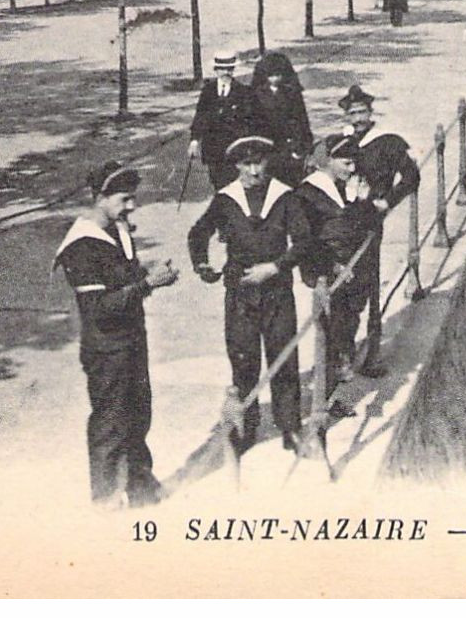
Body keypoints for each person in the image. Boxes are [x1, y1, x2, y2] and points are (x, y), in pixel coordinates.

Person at [54, 161, 178, 508]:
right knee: (110, 422)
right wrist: (147, 284)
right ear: (101, 198)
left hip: (131, 341)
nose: (131, 206)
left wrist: (148, 274)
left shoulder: (118, 230)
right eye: (125, 199)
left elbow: (126, 278)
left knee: (139, 415)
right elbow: (99, 307)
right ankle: (106, 496)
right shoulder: (82, 246)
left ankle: (140, 485)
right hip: (106, 348)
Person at [187, 136, 314, 454]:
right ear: (237, 166)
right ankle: (247, 426)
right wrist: (202, 263)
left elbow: (303, 240)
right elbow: (198, 232)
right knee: (243, 360)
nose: (254, 171)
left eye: (259, 163)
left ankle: (290, 427)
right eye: (247, 164)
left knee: (283, 357)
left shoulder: (285, 197)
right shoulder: (225, 199)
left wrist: (276, 266)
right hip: (240, 293)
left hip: (276, 292)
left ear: (267, 163)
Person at [338, 85, 420, 378]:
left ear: (371, 113)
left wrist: (389, 201)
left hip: (370, 222)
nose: (358, 118)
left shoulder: (387, 142)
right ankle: (343, 351)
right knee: (342, 287)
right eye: (352, 113)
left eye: (362, 112)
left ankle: (371, 353)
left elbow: (411, 176)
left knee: (368, 285)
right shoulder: (340, 144)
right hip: (341, 222)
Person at [294, 134, 375, 414]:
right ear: (328, 161)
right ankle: (323, 403)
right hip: (328, 276)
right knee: (330, 336)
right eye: (346, 163)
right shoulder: (307, 194)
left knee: (345, 329)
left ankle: (330, 396)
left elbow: (363, 227)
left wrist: (362, 203)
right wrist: (332, 267)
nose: (351, 169)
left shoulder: (345, 188)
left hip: (352, 274)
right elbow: (306, 242)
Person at [189, 50, 262, 190]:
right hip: (213, 149)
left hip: (234, 149)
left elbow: (250, 121)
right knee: (217, 184)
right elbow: (200, 117)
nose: (226, 72)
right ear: (216, 70)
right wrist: (194, 141)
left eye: (229, 69)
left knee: (234, 185)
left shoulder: (243, 92)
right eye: (222, 69)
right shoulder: (208, 91)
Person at [250, 51, 312, 188]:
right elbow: (253, 122)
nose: (275, 78)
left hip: (288, 148)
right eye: (271, 75)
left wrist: (301, 146)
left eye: (278, 74)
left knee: (291, 183)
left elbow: (301, 119)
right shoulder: (256, 95)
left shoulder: (292, 92)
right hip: (267, 147)